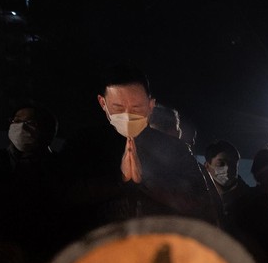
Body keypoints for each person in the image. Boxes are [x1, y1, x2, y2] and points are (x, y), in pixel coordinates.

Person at [59, 64, 219, 236]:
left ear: (151, 105)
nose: (128, 115)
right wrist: (120, 181)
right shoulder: (84, 144)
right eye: (118, 108)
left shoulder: (174, 148)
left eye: (136, 108)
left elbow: (202, 206)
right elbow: (62, 198)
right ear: (102, 103)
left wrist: (146, 183)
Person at [0, 103, 66, 263]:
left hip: (45, 258)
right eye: (16, 121)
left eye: (30, 122)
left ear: (47, 131)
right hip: (1, 257)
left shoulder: (62, 170)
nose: (21, 127)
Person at [203, 139, 250, 219]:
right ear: (207, 166)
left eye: (232, 164)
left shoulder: (250, 199)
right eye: (220, 164)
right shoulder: (198, 197)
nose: (227, 169)